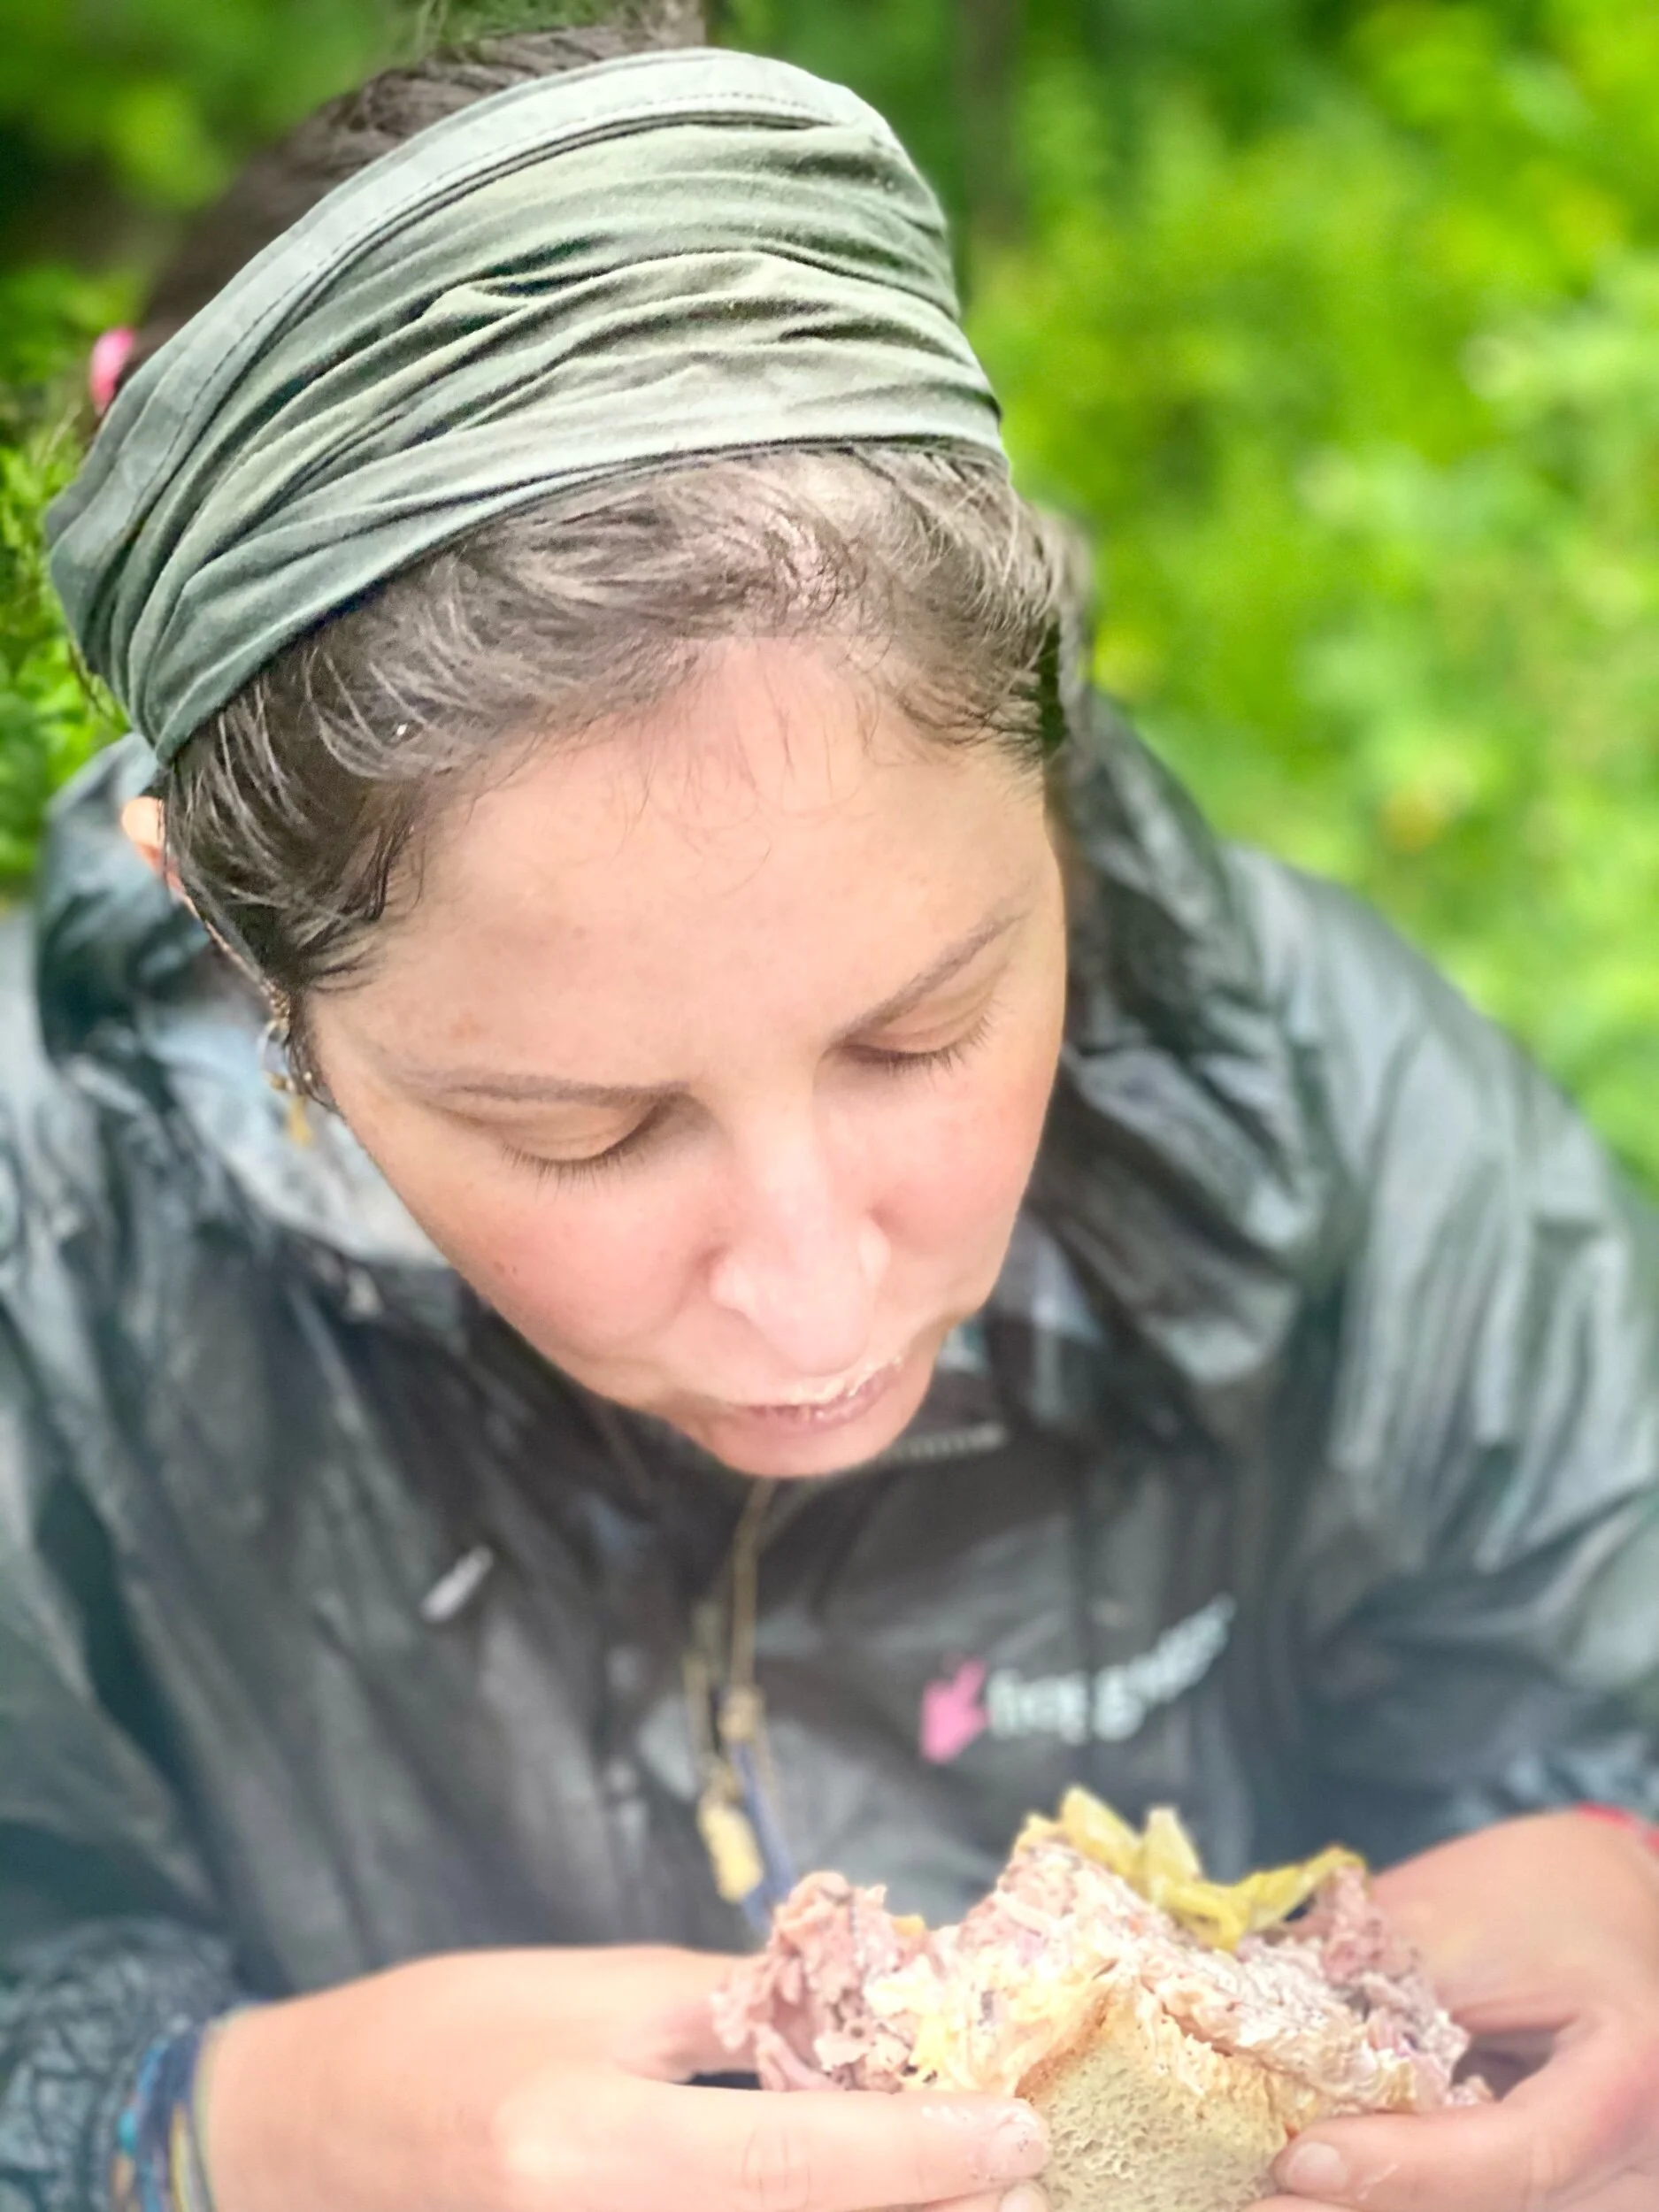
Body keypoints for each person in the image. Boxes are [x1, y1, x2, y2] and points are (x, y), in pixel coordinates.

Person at [4, 3, 1658, 2208]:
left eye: (921, 1031)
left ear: (1045, 746)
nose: (813, 1291)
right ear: (227, 936)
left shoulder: (1332, 1125)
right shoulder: (55, 1275)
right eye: (584, 1131)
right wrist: (199, 2123)